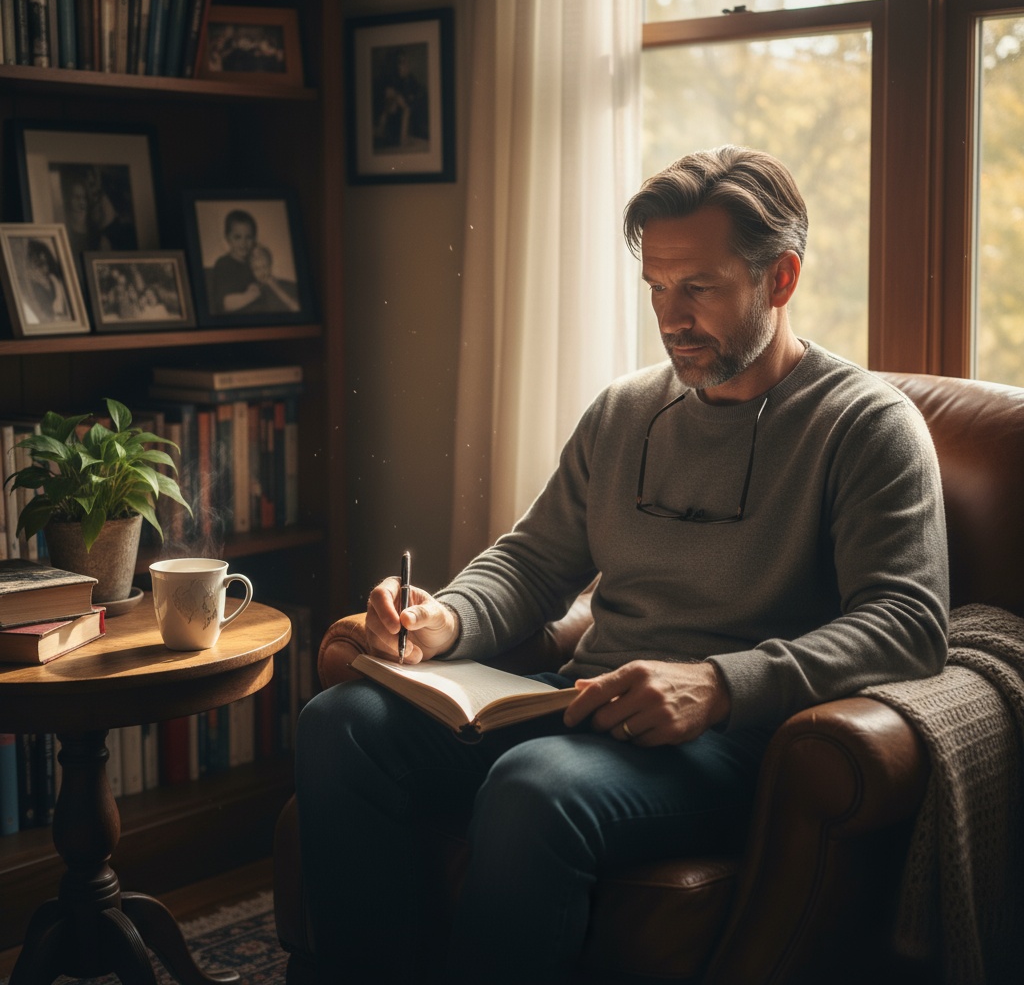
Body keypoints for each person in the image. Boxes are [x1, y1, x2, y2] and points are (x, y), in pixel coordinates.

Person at [295, 145, 950, 984]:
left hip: (735, 742)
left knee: (536, 785)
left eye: (700, 288)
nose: (671, 317)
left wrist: (716, 684)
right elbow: (533, 561)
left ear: (779, 279)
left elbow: (909, 628)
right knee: (340, 723)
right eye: (657, 289)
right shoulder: (626, 410)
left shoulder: (866, 427)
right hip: (582, 706)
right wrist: (443, 619)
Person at [208, 209, 261, 314]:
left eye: (248, 237)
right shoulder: (223, 263)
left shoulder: (252, 263)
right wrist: (253, 294)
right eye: (237, 237)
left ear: (254, 239)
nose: (243, 243)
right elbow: (226, 304)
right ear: (228, 238)